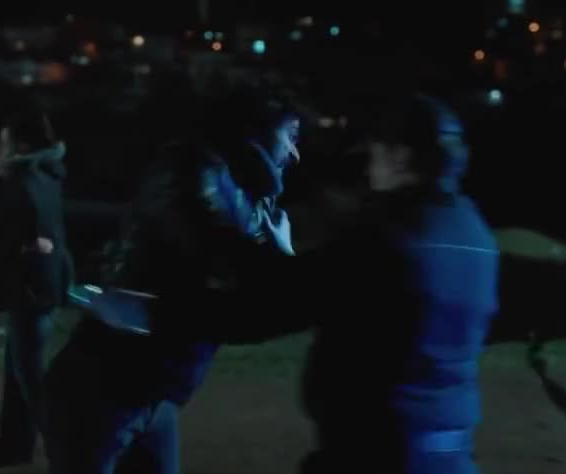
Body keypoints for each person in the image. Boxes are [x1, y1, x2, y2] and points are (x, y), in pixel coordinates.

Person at [136, 94, 499, 473]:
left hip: (376, 453)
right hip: (451, 455)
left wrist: (160, 306)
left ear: (401, 157)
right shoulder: (477, 235)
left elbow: (270, 306)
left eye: (376, 150)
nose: (369, 163)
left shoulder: (385, 239)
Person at [43, 85, 302, 474]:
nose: (295, 153)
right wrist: (280, 262)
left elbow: (248, 301)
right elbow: (230, 272)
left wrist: (280, 263)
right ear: (256, 132)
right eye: (290, 136)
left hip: (150, 395)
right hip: (104, 390)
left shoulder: (239, 193)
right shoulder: (191, 175)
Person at [0, 93, 72, 466]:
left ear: (20, 144)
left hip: (30, 287)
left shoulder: (25, 178)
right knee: (19, 371)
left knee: (30, 376)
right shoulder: (46, 174)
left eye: (4, 141)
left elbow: (38, 230)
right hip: (41, 285)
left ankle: (66, 448)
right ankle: (15, 446)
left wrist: (30, 247)